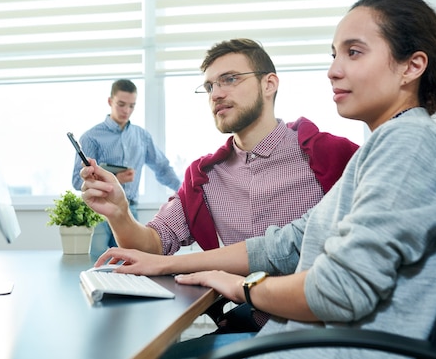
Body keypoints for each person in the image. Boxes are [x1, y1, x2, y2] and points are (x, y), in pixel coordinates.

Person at [82, 0, 436, 359]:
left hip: (327, 344)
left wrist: (242, 286)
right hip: (299, 335)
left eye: (353, 53)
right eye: (209, 86)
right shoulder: (380, 149)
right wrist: (148, 242)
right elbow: (283, 245)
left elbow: (339, 289)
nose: (333, 71)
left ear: (412, 65)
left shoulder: (404, 146)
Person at [80, 39, 358, 332]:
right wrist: (119, 213)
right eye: (210, 86)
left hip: (320, 335)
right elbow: (152, 247)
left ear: (269, 84)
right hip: (247, 329)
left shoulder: (333, 156)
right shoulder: (204, 175)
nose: (216, 94)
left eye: (230, 79)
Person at [71, 79, 181, 257]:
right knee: (95, 263)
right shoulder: (91, 137)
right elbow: (77, 181)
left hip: (130, 210)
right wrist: (117, 179)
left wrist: (184, 191)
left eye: (131, 106)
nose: (126, 111)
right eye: (121, 104)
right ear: (110, 101)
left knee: (132, 263)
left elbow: (162, 167)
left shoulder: (142, 136)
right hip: (99, 211)